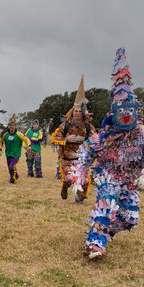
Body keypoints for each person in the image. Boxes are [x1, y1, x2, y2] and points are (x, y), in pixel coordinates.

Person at [71, 48, 144, 260]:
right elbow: (84, 157)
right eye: (120, 111)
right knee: (106, 204)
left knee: (130, 218)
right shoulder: (104, 137)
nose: (125, 115)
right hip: (108, 176)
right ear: (113, 112)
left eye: (129, 110)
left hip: (131, 180)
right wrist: (77, 179)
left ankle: (102, 233)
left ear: (136, 111)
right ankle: (95, 245)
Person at [51, 75, 97, 203]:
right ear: (72, 112)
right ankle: (65, 186)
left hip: (82, 159)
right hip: (67, 158)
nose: (77, 113)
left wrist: (89, 144)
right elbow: (54, 138)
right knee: (69, 179)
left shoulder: (88, 126)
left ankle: (79, 198)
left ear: (83, 112)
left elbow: (96, 140)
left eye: (79, 111)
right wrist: (66, 140)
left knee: (85, 181)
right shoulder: (65, 125)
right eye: (75, 111)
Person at [0, 114, 30, 184]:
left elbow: (26, 139)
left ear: (15, 126)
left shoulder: (19, 134)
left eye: (13, 126)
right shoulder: (5, 134)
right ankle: (16, 175)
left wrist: (29, 145)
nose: (12, 128)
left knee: (11, 167)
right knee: (10, 168)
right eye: (10, 126)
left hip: (16, 154)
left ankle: (13, 180)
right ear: (8, 126)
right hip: (8, 153)